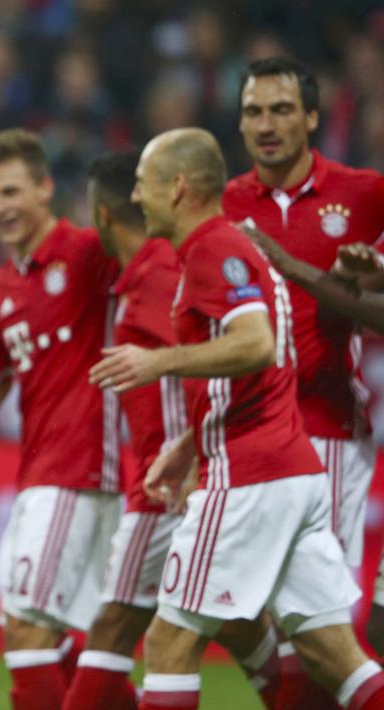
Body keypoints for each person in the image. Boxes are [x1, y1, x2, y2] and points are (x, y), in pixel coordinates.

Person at [89, 127, 384, 710]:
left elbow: (255, 345)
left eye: (145, 186)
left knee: (168, 644)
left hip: (250, 476)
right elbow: (254, 372)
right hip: (291, 472)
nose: (138, 199)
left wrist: (160, 360)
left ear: (176, 188)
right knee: (338, 660)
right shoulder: (224, 248)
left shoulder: (212, 250)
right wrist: (190, 444)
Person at [62, 151, 280, 709]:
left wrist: (192, 461)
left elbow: (208, 359)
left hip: (168, 486)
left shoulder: (161, 271)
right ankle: (302, 696)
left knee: (115, 624)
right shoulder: (147, 272)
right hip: (178, 475)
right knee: (237, 626)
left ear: (102, 214)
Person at [0, 128, 121, 710]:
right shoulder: (3, 283)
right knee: (76, 636)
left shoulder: (91, 253)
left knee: (27, 624)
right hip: (45, 470)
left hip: (81, 466)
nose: (1, 208)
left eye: (13, 192)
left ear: (45, 189)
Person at [224, 56, 384, 676]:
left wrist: (348, 279)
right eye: (254, 112)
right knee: (234, 614)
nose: (266, 124)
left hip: (328, 435)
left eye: (282, 109)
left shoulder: (365, 195)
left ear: (313, 117)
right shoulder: (224, 202)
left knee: (321, 633)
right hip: (242, 437)